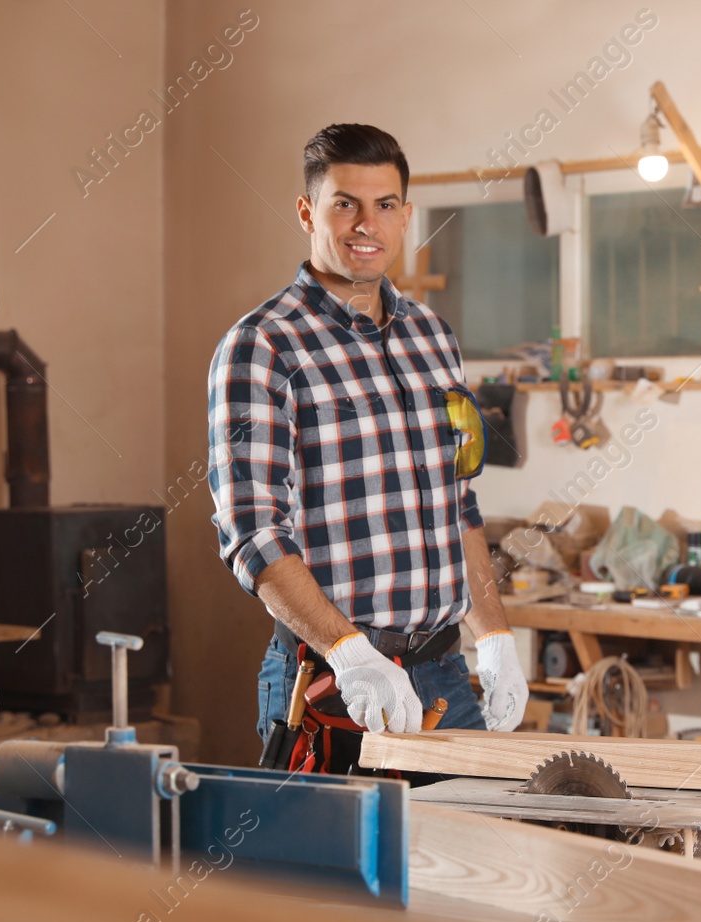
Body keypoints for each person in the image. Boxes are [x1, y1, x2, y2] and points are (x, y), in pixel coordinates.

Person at [207, 123, 528, 769]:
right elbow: (253, 534)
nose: (365, 224)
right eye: (344, 203)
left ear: (406, 216)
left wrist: (492, 632)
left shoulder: (432, 337)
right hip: (330, 682)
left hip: (443, 678)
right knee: (329, 870)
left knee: (473, 864)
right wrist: (350, 651)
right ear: (307, 211)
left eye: (384, 205)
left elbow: (456, 499)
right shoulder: (262, 346)